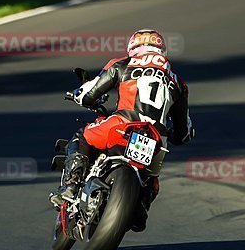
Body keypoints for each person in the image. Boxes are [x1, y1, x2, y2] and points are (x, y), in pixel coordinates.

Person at [49, 29, 194, 232]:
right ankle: (141, 206)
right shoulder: (178, 82)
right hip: (156, 139)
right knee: (151, 178)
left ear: (133, 47)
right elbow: (182, 132)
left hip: (123, 124)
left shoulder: (123, 63)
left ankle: (71, 184)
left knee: (82, 136)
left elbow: (89, 94)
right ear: (162, 49)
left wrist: (77, 94)